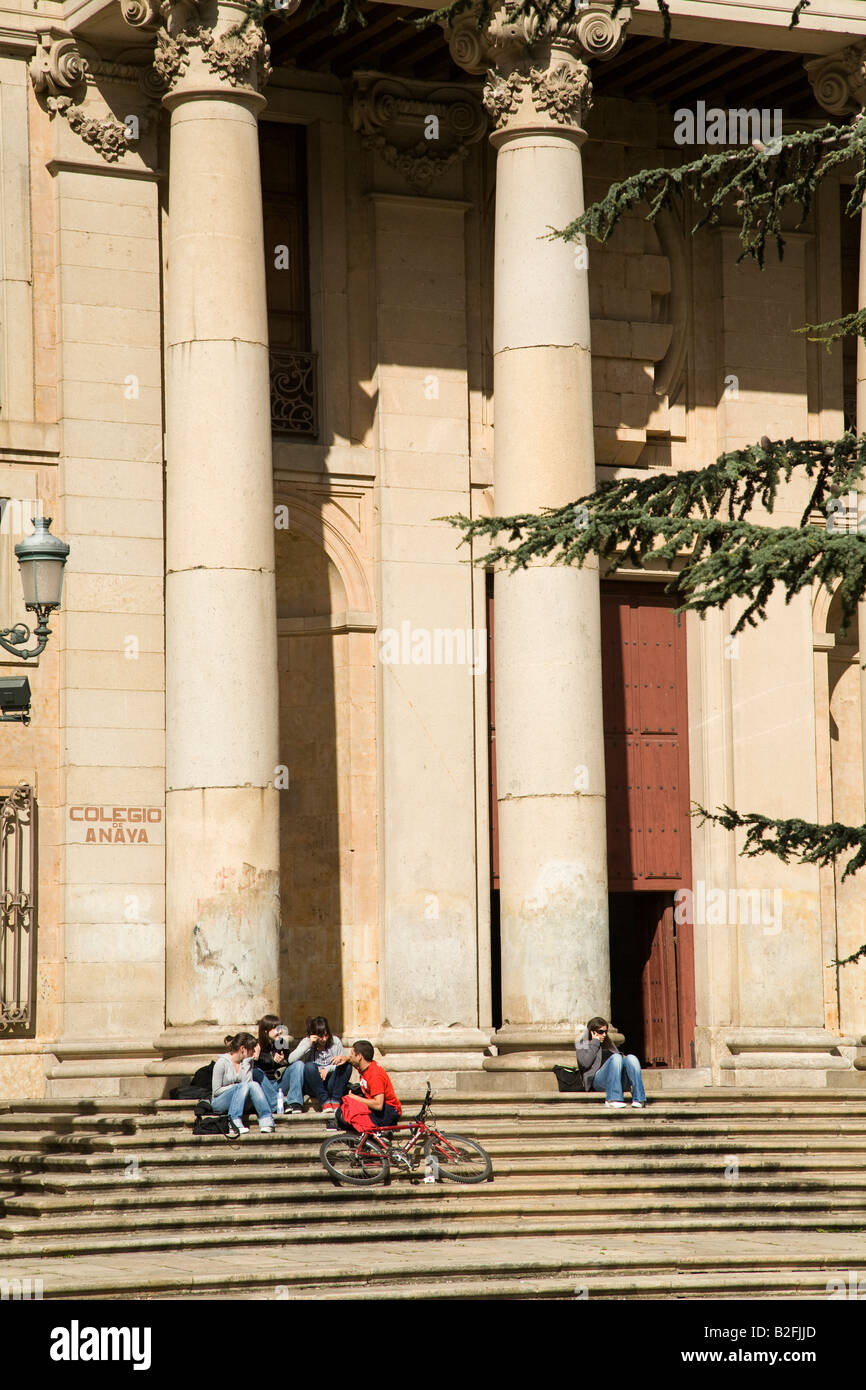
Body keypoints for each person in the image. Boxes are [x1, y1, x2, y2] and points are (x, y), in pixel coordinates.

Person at [575, 1016, 646, 1110]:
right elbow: (585, 1063)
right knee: (616, 1057)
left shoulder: (608, 1043)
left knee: (631, 1058)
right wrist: (595, 1042)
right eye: (601, 1032)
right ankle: (612, 1099)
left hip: (617, 1080)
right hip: (598, 1081)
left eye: (605, 1032)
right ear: (592, 1032)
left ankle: (639, 1098)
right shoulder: (582, 1044)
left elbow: (620, 1061)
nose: (604, 1035)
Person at [211, 1032, 275, 1135]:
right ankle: (233, 1122)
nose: (253, 1053)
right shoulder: (221, 1063)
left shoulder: (247, 1062)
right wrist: (236, 1087)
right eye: (252, 1050)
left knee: (253, 1085)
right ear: (243, 1049)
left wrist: (247, 1062)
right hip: (220, 1101)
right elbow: (216, 1091)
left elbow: (249, 1084)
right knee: (243, 1085)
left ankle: (266, 1120)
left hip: (241, 1101)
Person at [287, 1016, 353, 1113]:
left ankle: (335, 1101)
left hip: (330, 1083)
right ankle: (325, 1102)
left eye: (326, 1035)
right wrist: (309, 1044)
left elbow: (341, 1063)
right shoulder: (307, 1042)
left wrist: (327, 1069)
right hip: (313, 1084)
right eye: (321, 1036)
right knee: (309, 1066)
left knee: (347, 1066)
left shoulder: (335, 1041)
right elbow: (291, 1060)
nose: (324, 1039)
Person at [337, 1039, 402, 1129]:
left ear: (359, 1056)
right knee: (343, 1109)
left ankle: (378, 1136)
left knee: (347, 1114)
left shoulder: (375, 1075)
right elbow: (353, 1061)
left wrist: (355, 1098)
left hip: (388, 1112)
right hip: (379, 1108)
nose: (350, 1057)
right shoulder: (365, 1066)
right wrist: (346, 1059)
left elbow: (378, 1105)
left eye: (351, 1054)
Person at [254, 1014, 305, 1116]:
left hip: (279, 1084)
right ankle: (276, 1105)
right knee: (256, 1071)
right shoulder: (256, 1045)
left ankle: (295, 1102)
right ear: (265, 1031)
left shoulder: (281, 1042)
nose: (280, 1031)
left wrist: (283, 1062)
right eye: (276, 1028)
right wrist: (255, 1058)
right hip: (265, 1086)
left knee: (298, 1064)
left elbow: (289, 1061)